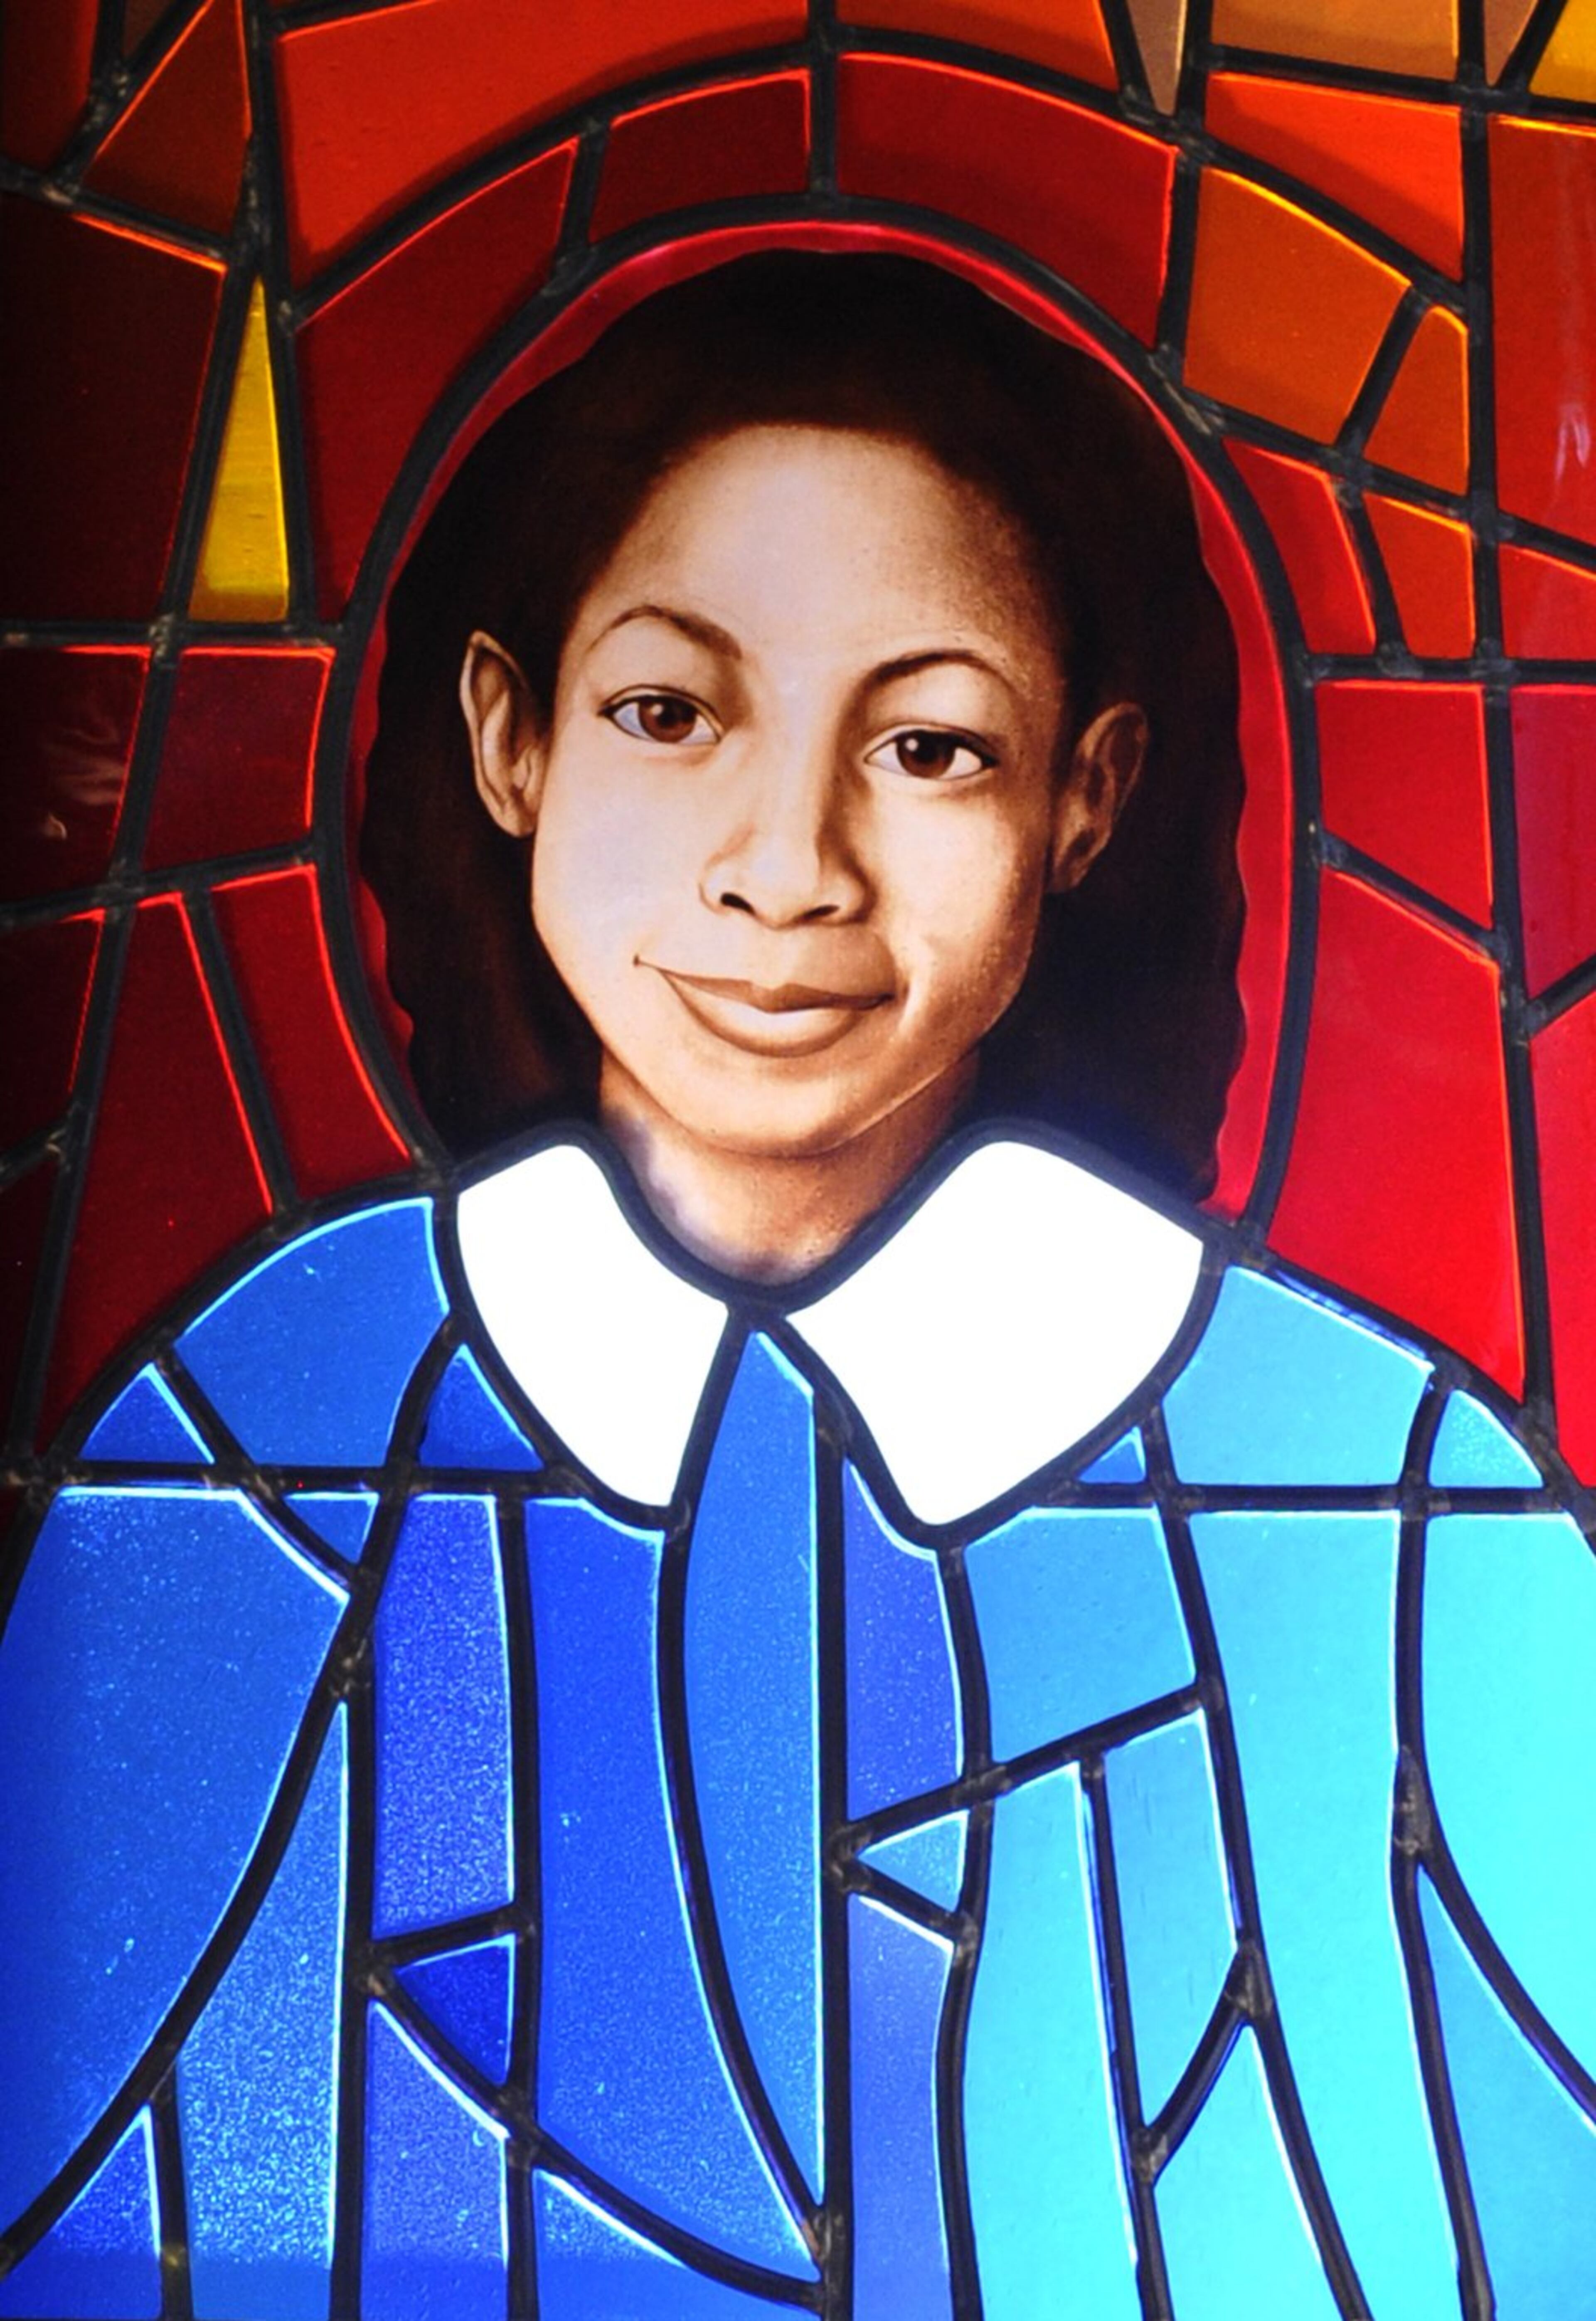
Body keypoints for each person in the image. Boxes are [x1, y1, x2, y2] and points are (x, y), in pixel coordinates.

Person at [2, 252, 1593, 2321]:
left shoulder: (1379, 1496)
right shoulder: (251, 1436)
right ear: (511, 737)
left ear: (1087, 796)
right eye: (670, 713)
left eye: (929, 745)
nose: (790, 865)